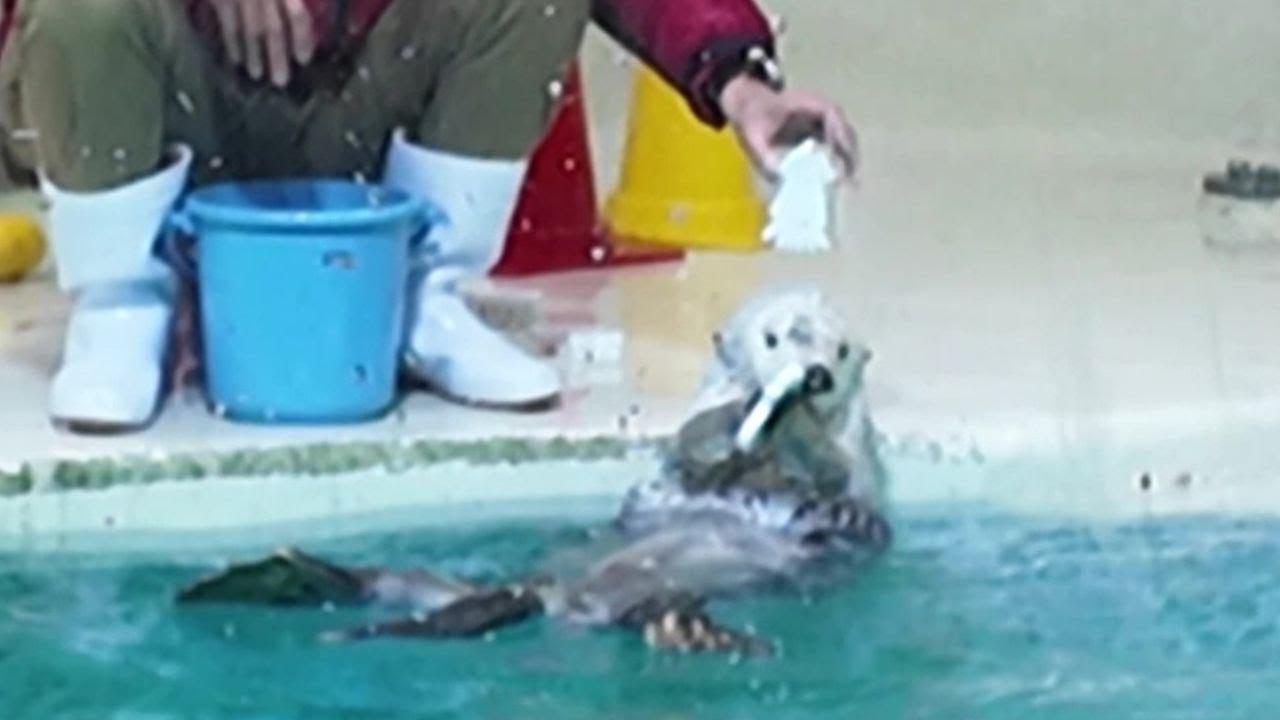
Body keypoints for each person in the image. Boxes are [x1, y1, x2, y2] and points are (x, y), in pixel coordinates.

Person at [0, 0, 858, 434]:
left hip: (360, 105)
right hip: (170, 102)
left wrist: (744, 85)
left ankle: (422, 293)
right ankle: (122, 305)